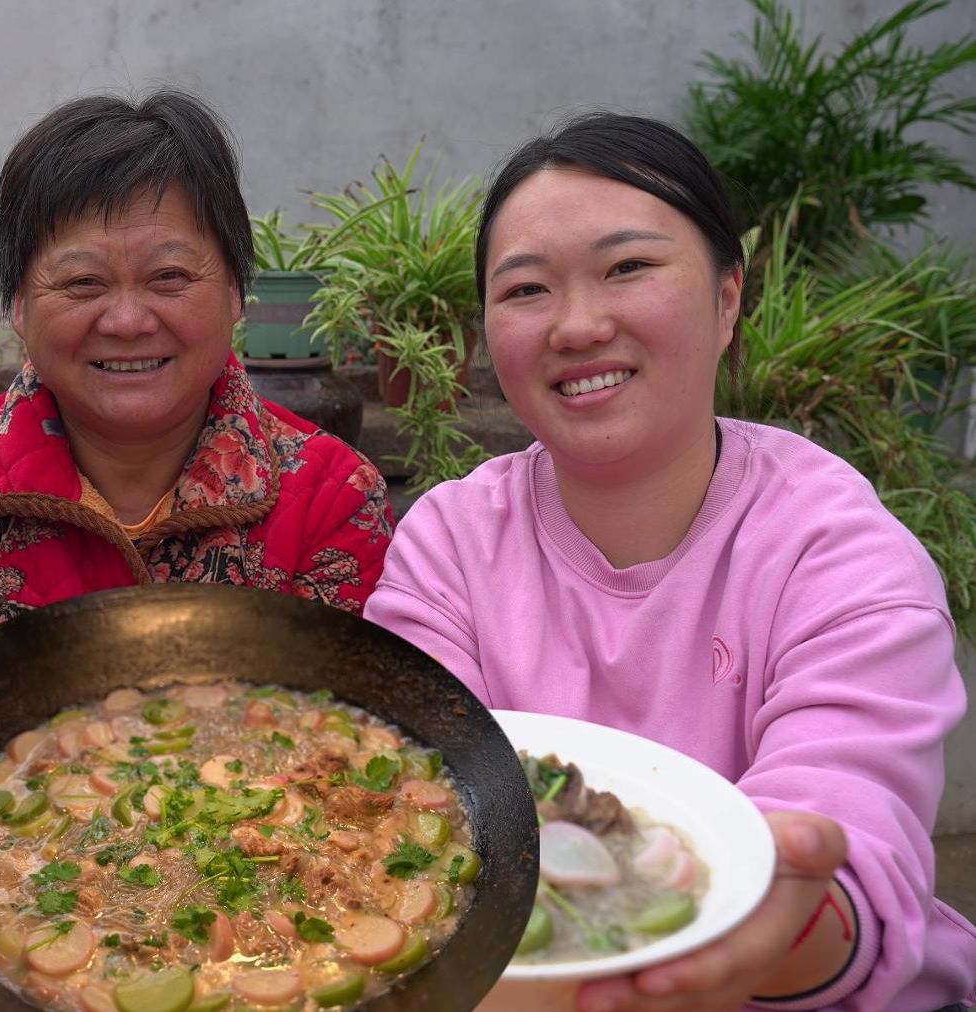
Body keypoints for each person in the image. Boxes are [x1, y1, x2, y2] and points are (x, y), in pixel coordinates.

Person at [364, 112, 976, 1011]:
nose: (577, 325)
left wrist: (765, 927)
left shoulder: (840, 552)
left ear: (729, 298)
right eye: (527, 289)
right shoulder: (449, 542)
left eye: (629, 268)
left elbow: (845, 847)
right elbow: (405, 798)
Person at [0, 89, 393, 688]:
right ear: (16, 306)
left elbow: (335, 741)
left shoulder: (328, 496)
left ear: (235, 291)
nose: (128, 321)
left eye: (170, 276)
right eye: (82, 282)